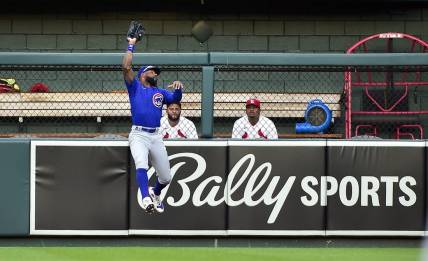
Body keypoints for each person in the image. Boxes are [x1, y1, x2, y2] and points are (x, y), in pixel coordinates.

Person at [123, 36, 183, 214]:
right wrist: (131, 45)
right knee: (141, 163)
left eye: (156, 73)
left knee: (165, 177)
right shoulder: (135, 87)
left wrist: (179, 89)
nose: (155, 74)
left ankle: (155, 193)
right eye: (151, 72)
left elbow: (175, 100)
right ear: (142, 75)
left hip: (156, 135)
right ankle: (145, 197)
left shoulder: (161, 92)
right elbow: (126, 67)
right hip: (139, 134)